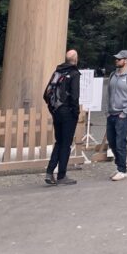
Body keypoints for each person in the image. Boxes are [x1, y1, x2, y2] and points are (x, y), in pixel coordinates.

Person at [43, 48, 81, 186]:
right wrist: (75, 113)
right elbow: (75, 96)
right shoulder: (74, 73)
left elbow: (45, 94)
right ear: (76, 60)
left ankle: (49, 171)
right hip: (68, 113)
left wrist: (53, 109)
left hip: (56, 112)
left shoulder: (57, 72)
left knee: (59, 142)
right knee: (66, 144)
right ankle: (62, 175)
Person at [106, 48, 127, 181]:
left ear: (126, 61)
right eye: (116, 58)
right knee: (112, 141)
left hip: (123, 114)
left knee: (120, 141)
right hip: (111, 113)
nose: (117, 60)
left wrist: (125, 112)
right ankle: (121, 162)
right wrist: (107, 110)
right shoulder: (112, 75)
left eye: (119, 59)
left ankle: (122, 170)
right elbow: (109, 94)